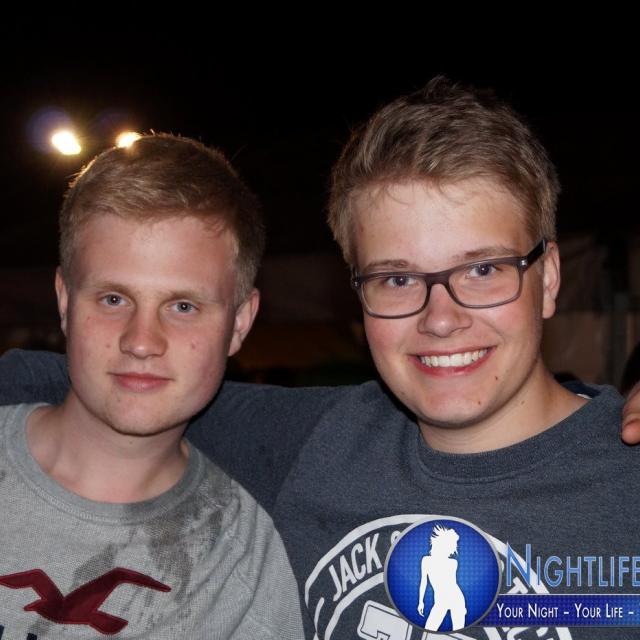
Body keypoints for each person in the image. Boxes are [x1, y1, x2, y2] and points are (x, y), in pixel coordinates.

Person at [2, 80, 640, 640]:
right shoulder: (311, 441)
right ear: (357, 296)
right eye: (397, 279)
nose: (441, 318)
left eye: (482, 270)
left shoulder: (625, 476)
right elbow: (100, 380)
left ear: (548, 277)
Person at [0, 135, 304, 639]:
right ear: (65, 300)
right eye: (113, 299)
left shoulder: (245, 566)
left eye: (183, 306)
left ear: (239, 323)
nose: (142, 341)